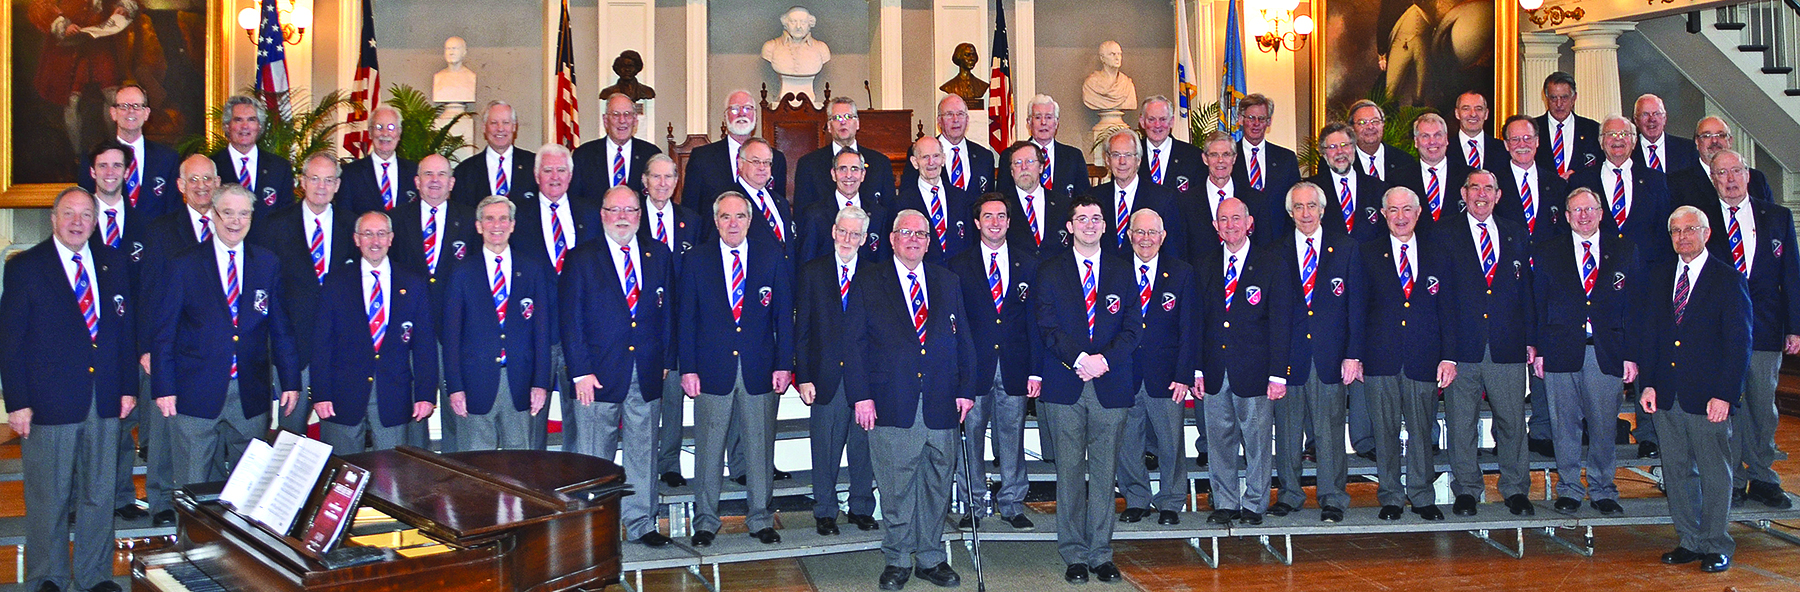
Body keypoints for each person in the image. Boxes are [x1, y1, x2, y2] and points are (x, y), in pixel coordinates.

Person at [2, 187, 137, 592]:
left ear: (96, 221)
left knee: (99, 494)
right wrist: (19, 402)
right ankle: (49, 576)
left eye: (85, 215)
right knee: (49, 497)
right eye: (69, 214)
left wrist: (128, 386)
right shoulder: (25, 267)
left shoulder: (113, 262)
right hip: (48, 401)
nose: (78, 222)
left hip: (105, 397)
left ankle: (94, 575)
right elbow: (10, 340)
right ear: (53, 218)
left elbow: (123, 330)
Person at [844, 210, 976, 590]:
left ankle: (931, 557)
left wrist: (966, 389)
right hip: (890, 401)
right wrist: (861, 397)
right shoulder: (869, 281)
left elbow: (963, 339)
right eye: (906, 232)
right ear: (891, 238)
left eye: (921, 233)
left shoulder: (947, 280)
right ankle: (899, 558)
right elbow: (854, 344)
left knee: (937, 484)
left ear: (929, 241)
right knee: (897, 487)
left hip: (941, 402)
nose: (914, 239)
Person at [151, 185, 300, 488]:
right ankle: (193, 538)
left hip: (249, 392)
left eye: (243, 213)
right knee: (192, 485)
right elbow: (164, 332)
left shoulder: (267, 263)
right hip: (195, 392)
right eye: (227, 213)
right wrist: (163, 387)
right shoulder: (185, 264)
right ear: (214, 216)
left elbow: (280, 327)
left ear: (251, 217)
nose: (235, 221)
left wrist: (291, 381)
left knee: (251, 485)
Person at [1032, 195, 1140, 584]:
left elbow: (1133, 328)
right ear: (1070, 226)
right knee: (1070, 472)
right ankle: (1074, 553)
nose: (1090, 224)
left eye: (1096, 218)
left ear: (1105, 226)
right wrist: (1081, 359)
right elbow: (1046, 327)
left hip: (1110, 383)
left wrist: (1103, 361)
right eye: (1082, 218)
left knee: (1105, 471)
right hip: (1066, 383)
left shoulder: (1123, 270)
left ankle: (1101, 553)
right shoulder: (1050, 271)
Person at [1639, 205, 1752, 574]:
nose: (1682, 237)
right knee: (1676, 471)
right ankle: (1689, 540)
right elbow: (1652, 337)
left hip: (1709, 399)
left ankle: (1716, 544)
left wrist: (1726, 394)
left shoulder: (1728, 279)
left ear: (1706, 233)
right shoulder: (1659, 277)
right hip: (1668, 394)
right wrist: (1649, 384)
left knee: (1715, 473)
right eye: (1676, 231)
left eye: (1690, 229)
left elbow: (1739, 344)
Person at [677, 192, 794, 547]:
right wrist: (688, 368)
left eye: (740, 217)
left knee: (760, 449)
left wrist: (784, 364)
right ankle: (706, 520)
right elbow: (686, 319)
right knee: (709, 449)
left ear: (749, 220)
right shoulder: (697, 260)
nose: (732, 223)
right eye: (725, 217)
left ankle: (760, 518)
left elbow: (783, 317)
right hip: (711, 370)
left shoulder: (771, 256)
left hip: (760, 367)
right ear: (715, 221)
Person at [562, 186, 674, 547]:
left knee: (644, 451)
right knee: (595, 456)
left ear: (640, 215)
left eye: (630, 210)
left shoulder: (658, 254)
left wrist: (665, 361)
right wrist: (580, 371)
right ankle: (595, 528)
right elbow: (571, 320)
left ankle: (642, 522)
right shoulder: (581, 258)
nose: (623, 217)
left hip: (645, 370)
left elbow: (667, 313)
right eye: (615, 210)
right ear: (602, 214)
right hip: (596, 375)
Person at [1688, 150, 1798, 510]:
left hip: (1766, 328)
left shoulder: (1777, 217)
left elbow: (1792, 276)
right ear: (1714, 179)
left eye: (1736, 171)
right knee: (1726, 406)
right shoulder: (1701, 224)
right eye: (1722, 173)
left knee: (1762, 406)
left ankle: (1763, 476)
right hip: (1717, 333)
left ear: (1747, 176)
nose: (1731, 179)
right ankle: (1730, 478)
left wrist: (1794, 326)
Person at [1532, 187, 1640, 516]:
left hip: (1606, 352)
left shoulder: (1624, 249)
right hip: (1559, 350)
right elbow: (1537, 304)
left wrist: (1631, 353)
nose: (1584, 215)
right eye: (1576, 210)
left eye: (1590, 209)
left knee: (1604, 425)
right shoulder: (1548, 251)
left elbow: (1636, 307)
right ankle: (1568, 489)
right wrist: (1538, 349)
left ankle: (1603, 489)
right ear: (1566, 217)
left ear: (1601, 212)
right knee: (1564, 424)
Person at [1439, 170, 1535, 516]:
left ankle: (1514, 489)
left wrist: (1531, 339)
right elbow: (1441, 297)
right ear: (1463, 194)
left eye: (1488, 188)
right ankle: (1466, 489)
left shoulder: (1515, 232)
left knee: (1511, 421)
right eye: (1474, 188)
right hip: (1461, 348)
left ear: (1498, 195)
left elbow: (1526, 290)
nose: (1481, 194)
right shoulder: (1445, 232)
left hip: (1507, 345)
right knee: (1461, 421)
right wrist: (1444, 352)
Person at [134, 155, 223, 526]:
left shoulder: (230, 224)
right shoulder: (160, 230)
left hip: (211, 352)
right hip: (169, 348)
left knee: (206, 429)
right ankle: (160, 501)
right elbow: (147, 293)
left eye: (208, 178)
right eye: (193, 179)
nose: (201, 185)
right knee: (165, 428)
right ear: (181, 186)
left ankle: (210, 501)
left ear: (217, 183)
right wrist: (146, 347)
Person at [1360, 187, 1457, 521]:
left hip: (1424, 357)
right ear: (1384, 215)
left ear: (1418, 214)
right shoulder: (1367, 253)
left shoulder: (1439, 253)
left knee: (1421, 430)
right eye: (1393, 211)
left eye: (1407, 210)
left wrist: (1449, 356)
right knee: (1384, 432)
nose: (1400, 217)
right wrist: (1356, 355)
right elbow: (1358, 309)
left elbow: (1449, 309)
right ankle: (1390, 496)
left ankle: (1422, 495)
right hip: (1380, 358)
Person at [1270, 181, 1363, 523]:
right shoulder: (1275, 251)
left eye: (1311, 206)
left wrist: (1353, 354)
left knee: (1329, 431)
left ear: (1323, 210)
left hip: (1331, 357)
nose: (1305, 213)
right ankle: (1290, 494)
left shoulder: (1346, 248)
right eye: (1298, 207)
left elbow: (1356, 306)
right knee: (1289, 432)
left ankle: (1333, 497)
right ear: (1289, 212)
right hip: (1289, 358)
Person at [1194, 197, 1290, 525]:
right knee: (1219, 441)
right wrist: (1196, 368)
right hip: (1214, 370)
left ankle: (1255, 503)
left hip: (1256, 371)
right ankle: (1225, 502)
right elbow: (1198, 320)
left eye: (1237, 219)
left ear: (1249, 223)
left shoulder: (1271, 263)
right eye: (1224, 220)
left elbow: (1281, 322)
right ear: (1215, 226)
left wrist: (1278, 374)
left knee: (1258, 442)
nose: (1230, 225)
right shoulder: (1204, 264)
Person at [948, 194, 1040, 529]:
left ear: (1009, 222)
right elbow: (954, 324)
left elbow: (1034, 321)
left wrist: (1035, 370)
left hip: (1015, 365)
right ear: (977, 222)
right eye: (988, 216)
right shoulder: (958, 266)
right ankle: (973, 502)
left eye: (1001, 216)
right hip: (974, 369)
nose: (995, 222)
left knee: (1013, 436)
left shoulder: (1028, 263)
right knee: (971, 435)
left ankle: (1012, 502)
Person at [311, 212, 439, 453]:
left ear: (391, 238)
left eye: (381, 234)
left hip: (394, 397)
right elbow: (321, 343)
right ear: (356, 239)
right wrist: (321, 393)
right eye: (367, 234)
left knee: (394, 479)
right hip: (342, 397)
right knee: (342, 477)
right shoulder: (336, 282)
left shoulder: (413, 283)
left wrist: (425, 394)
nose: (375, 241)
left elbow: (424, 346)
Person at [251, 152, 358, 435]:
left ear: (337, 185)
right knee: (289, 435)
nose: (321, 186)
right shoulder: (274, 226)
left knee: (342, 436)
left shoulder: (356, 228)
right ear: (302, 182)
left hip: (342, 351)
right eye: (314, 179)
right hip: (292, 350)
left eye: (328, 180)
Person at [442, 195, 553, 452]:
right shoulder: (462, 272)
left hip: (520, 383)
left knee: (519, 467)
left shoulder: (532, 269)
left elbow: (542, 332)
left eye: (503, 218)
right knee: (476, 468)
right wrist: (455, 387)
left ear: (513, 225)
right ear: (479, 226)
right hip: (474, 384)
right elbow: (451, 335)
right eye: (489, 219)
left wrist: (540, 383)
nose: (497, 225)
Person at [794, 206, 880, 536]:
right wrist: (803, 375)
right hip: (824, 376)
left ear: (863, 239)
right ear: (833, 231)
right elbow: (802, 328)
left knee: (863, 447)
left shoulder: (875, 274)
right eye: (843, 232)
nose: (848, 239)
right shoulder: (812, 271)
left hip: (865, 380)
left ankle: (860, 507)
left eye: (855, 234)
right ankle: (825, 510)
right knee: (825, 447)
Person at [1114, 208, 1199, 526]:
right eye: (1139, 232)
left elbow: (1189, 328)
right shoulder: (1116, 271)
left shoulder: (1181, 272)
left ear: (1163, 237)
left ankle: (1171, 501)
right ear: (1130, 235)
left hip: (1166, 375)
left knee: (1171, 441)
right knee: (1128, 441)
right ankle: (1136, 498)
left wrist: (1183, 374)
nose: (1145, 239)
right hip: (1126, 372)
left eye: (1152, 233)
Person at [83, 143, 151, 524]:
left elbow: (152, 286)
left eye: (117, 166)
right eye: (102, 165)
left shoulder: (145, 222)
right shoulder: (78, 218)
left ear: (128, 172)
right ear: (92, 171)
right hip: (91, 343)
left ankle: (122, 494)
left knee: (124, 421)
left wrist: (145, 344)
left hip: (133, 339)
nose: (110, 172)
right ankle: (82, 500)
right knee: (87, 422)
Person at [1493, 114, 1568, 459]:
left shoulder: (1556, 185)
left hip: (1548, 284)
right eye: (1514, 139)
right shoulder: (1492, 186)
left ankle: (1541, 427)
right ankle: (1502, 436)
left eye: (1527, 138)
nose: (1521, 144)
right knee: (1506, 361)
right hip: (1506, 285)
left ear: (1538, 142)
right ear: (1506, 144)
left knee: (1543, 354)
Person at [512, 143, 596, 449]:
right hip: (535, 334)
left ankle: (576, 486)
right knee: (533, 423)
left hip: (580, 334)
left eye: (561, 170)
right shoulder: (517, 216)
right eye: (547, 170)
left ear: (571, 175)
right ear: (536, 175)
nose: (555, 176)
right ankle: (533, 491)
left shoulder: (590, 213)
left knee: (582, 423)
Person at [638, 155, 704, 489]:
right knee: (645, 399)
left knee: (673, 398)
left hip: (680, 322)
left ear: (676, 181)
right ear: (645, 181)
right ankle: (644, 462)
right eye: (656, 177)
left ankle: (669, 462)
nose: (663, 183)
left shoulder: (691, 221)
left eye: (669, 177)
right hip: (644, 323)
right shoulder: (632, 219)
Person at [78, 85, 182, 218]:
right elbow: (86, 209)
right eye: (124, 106)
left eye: (137, 106)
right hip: (111, 237)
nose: (130, 111)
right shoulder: (93, 158)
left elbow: (173, 213)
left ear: (146, 113)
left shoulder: (168, 158)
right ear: (113, 113)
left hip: (154, 238)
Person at [682, 90, 790, 212]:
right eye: (734, 109)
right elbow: (690, 210)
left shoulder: (776, 158)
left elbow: (779, 207)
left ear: (755, 115)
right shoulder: (702, 158)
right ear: (725, 116)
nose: (741, 114)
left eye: (747, 109)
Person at [1096, 129, 1187, 261]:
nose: (1122, 162)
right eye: (1116, 155)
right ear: (1107, 160)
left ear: (1138, 160)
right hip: (1106, 278)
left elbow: (1173, 251)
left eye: (1128, 155)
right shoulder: (1095, 198)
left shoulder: (1163, 198)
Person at [793, 97, 896, 213]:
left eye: (848, 117)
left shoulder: (880, 163)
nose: (843, 122)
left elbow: (889, 212)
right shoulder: (808, 164)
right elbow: (802, 214)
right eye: (837, 118)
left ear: (857, 124)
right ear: (829, 126)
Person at [797, 150, 892, 264]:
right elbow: (807, 264)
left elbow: (883, 263)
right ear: (833, 174)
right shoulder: (814, 215)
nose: (848, 175)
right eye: (842, 169)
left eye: (854, 169)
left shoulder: (879, 214)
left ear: (863, 175)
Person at [210, 96, 295, 223]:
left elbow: (287, 216)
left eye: (251, 120)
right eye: (238, 120)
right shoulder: (212, 166)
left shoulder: (280, 167)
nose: (245, 126)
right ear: (227, 126)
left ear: (259, 126)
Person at [892, 136, 972, 264]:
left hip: (959, 277)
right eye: (925, 157)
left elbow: (969, 241)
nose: (931, 162)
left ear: (943, 159)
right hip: (925, 276)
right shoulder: (902, 202)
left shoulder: (961, 198)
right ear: (914, 162)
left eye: (936, 156)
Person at [1304, 122, 1388, 244]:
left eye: (1344, 145)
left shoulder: (1378, 188)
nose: (1340, 152)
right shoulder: (1310, 190)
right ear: (1323, 154)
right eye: (1332, 147)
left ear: (1354, 148)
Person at [1390, 113, 1471, 234]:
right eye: (1425, 136)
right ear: (1416, 142)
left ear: (1446, 139)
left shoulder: (1468, 176)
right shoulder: (1397, 179)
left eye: (1438, 135)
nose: (1432, 141)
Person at [1669, 117, 1775, 206]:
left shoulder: (1756, 179)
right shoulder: (1677, 183)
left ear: (1730, 141)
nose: (1714, 141)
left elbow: (1770, 220)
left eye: (1721, 135)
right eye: (1706, 136)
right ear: (1697, 142)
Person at [574, 93, 663, 199]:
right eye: (616, 114)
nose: (622, 120)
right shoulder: (583, 155)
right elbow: (575, 200)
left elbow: (659, 198)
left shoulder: (651, 155)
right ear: (605, 120)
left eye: (627, 114)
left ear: (635, 120)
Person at [1191, 130, 1271, 248]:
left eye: (1226, 154)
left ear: (1234, 158)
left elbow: (1265, 248)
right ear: (1205, 159)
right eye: (1214, 155)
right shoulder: (1186, 202)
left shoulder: (1256, 200)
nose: (1220, 160)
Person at [1001, 95, 1092, 197]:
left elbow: (1084, 198)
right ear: (1029, 122)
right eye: (1038, 117)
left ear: (1056, 123)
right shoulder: (1010, 155)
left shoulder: (1074, 156)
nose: (1043, 122)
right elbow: (1003, 197)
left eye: (1048, 117)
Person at [451, 101, 538, 205]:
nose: (500, 129)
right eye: (494, 123)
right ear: (484, 127)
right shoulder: (465, 172)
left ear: (514, 127)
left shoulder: (534, 165)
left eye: (506, 122)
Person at [909, 94, 998, 194]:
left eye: (960, 114)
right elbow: (909, 194)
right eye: (949, 114)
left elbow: (990, 200)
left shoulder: (985, 156)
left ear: (967, 119)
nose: (955, 120)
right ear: (939, 121)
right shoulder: (921, 152)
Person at [340, 106, 419, 216]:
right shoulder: (350, 173)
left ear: (399, 133)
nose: (385, 133)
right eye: (379, 127)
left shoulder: (414, 171)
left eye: (391, 127)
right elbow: (344, 216)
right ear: (370, 132)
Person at [1002, 141, 1072, 259]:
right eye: (1017, 163)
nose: (1024, 167)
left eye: (1030, 161)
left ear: (1041, 167)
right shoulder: (1001, 207)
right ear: (1012, 171)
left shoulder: (1064, 205)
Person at [1233, 94, 1303, 208]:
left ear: (1269, 121)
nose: (1256, 123)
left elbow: (1295, 201)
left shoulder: (1286, 158)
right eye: (1251, 118)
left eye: (1261, 118)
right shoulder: (1228, 157)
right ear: (1241, 119)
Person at [1534, 71, 1602, 179]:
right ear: (1545, 98)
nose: (1559, 104)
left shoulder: (1592, 130)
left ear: (1574, 98)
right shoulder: (1533, 129)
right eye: (1553, 98)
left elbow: (1600, 167)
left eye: (1564, 97)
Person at [1136, 96, 1203, 199]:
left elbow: (1199, 199)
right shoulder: (1130, 155)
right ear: (1142, 121)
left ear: (1171, 121)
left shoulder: (1193, 156)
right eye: (1151, 119)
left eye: (1163, 119)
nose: (1157, 125)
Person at [1347, 100, 1417, 183]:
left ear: (1383, 124)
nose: (1370, 127)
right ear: (1351, 128)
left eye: (1375, 121)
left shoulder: (1404, 161)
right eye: (1362, 122)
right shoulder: (1345, 162)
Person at [1631, 94, 1699, 175]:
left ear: (1664, 117)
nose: (1652, 119)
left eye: (1657, 113)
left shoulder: (1688, 149)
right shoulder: (1628, 152)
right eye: (1645, 114)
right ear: (1636, 120)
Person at [1449, 91, 1506, 172]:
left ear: (1486, 114)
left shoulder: (1502, 149)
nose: (1473, 114)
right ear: (1457, 113)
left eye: (1478, 109)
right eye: (1466, 108)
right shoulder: (1445, 150)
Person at [1080, 41, 1137, 111]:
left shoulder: (1127, 84)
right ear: (1102, 58)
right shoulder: (1090, 84)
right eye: (1112, 54)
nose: (1117, 58)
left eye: (1119, 54)